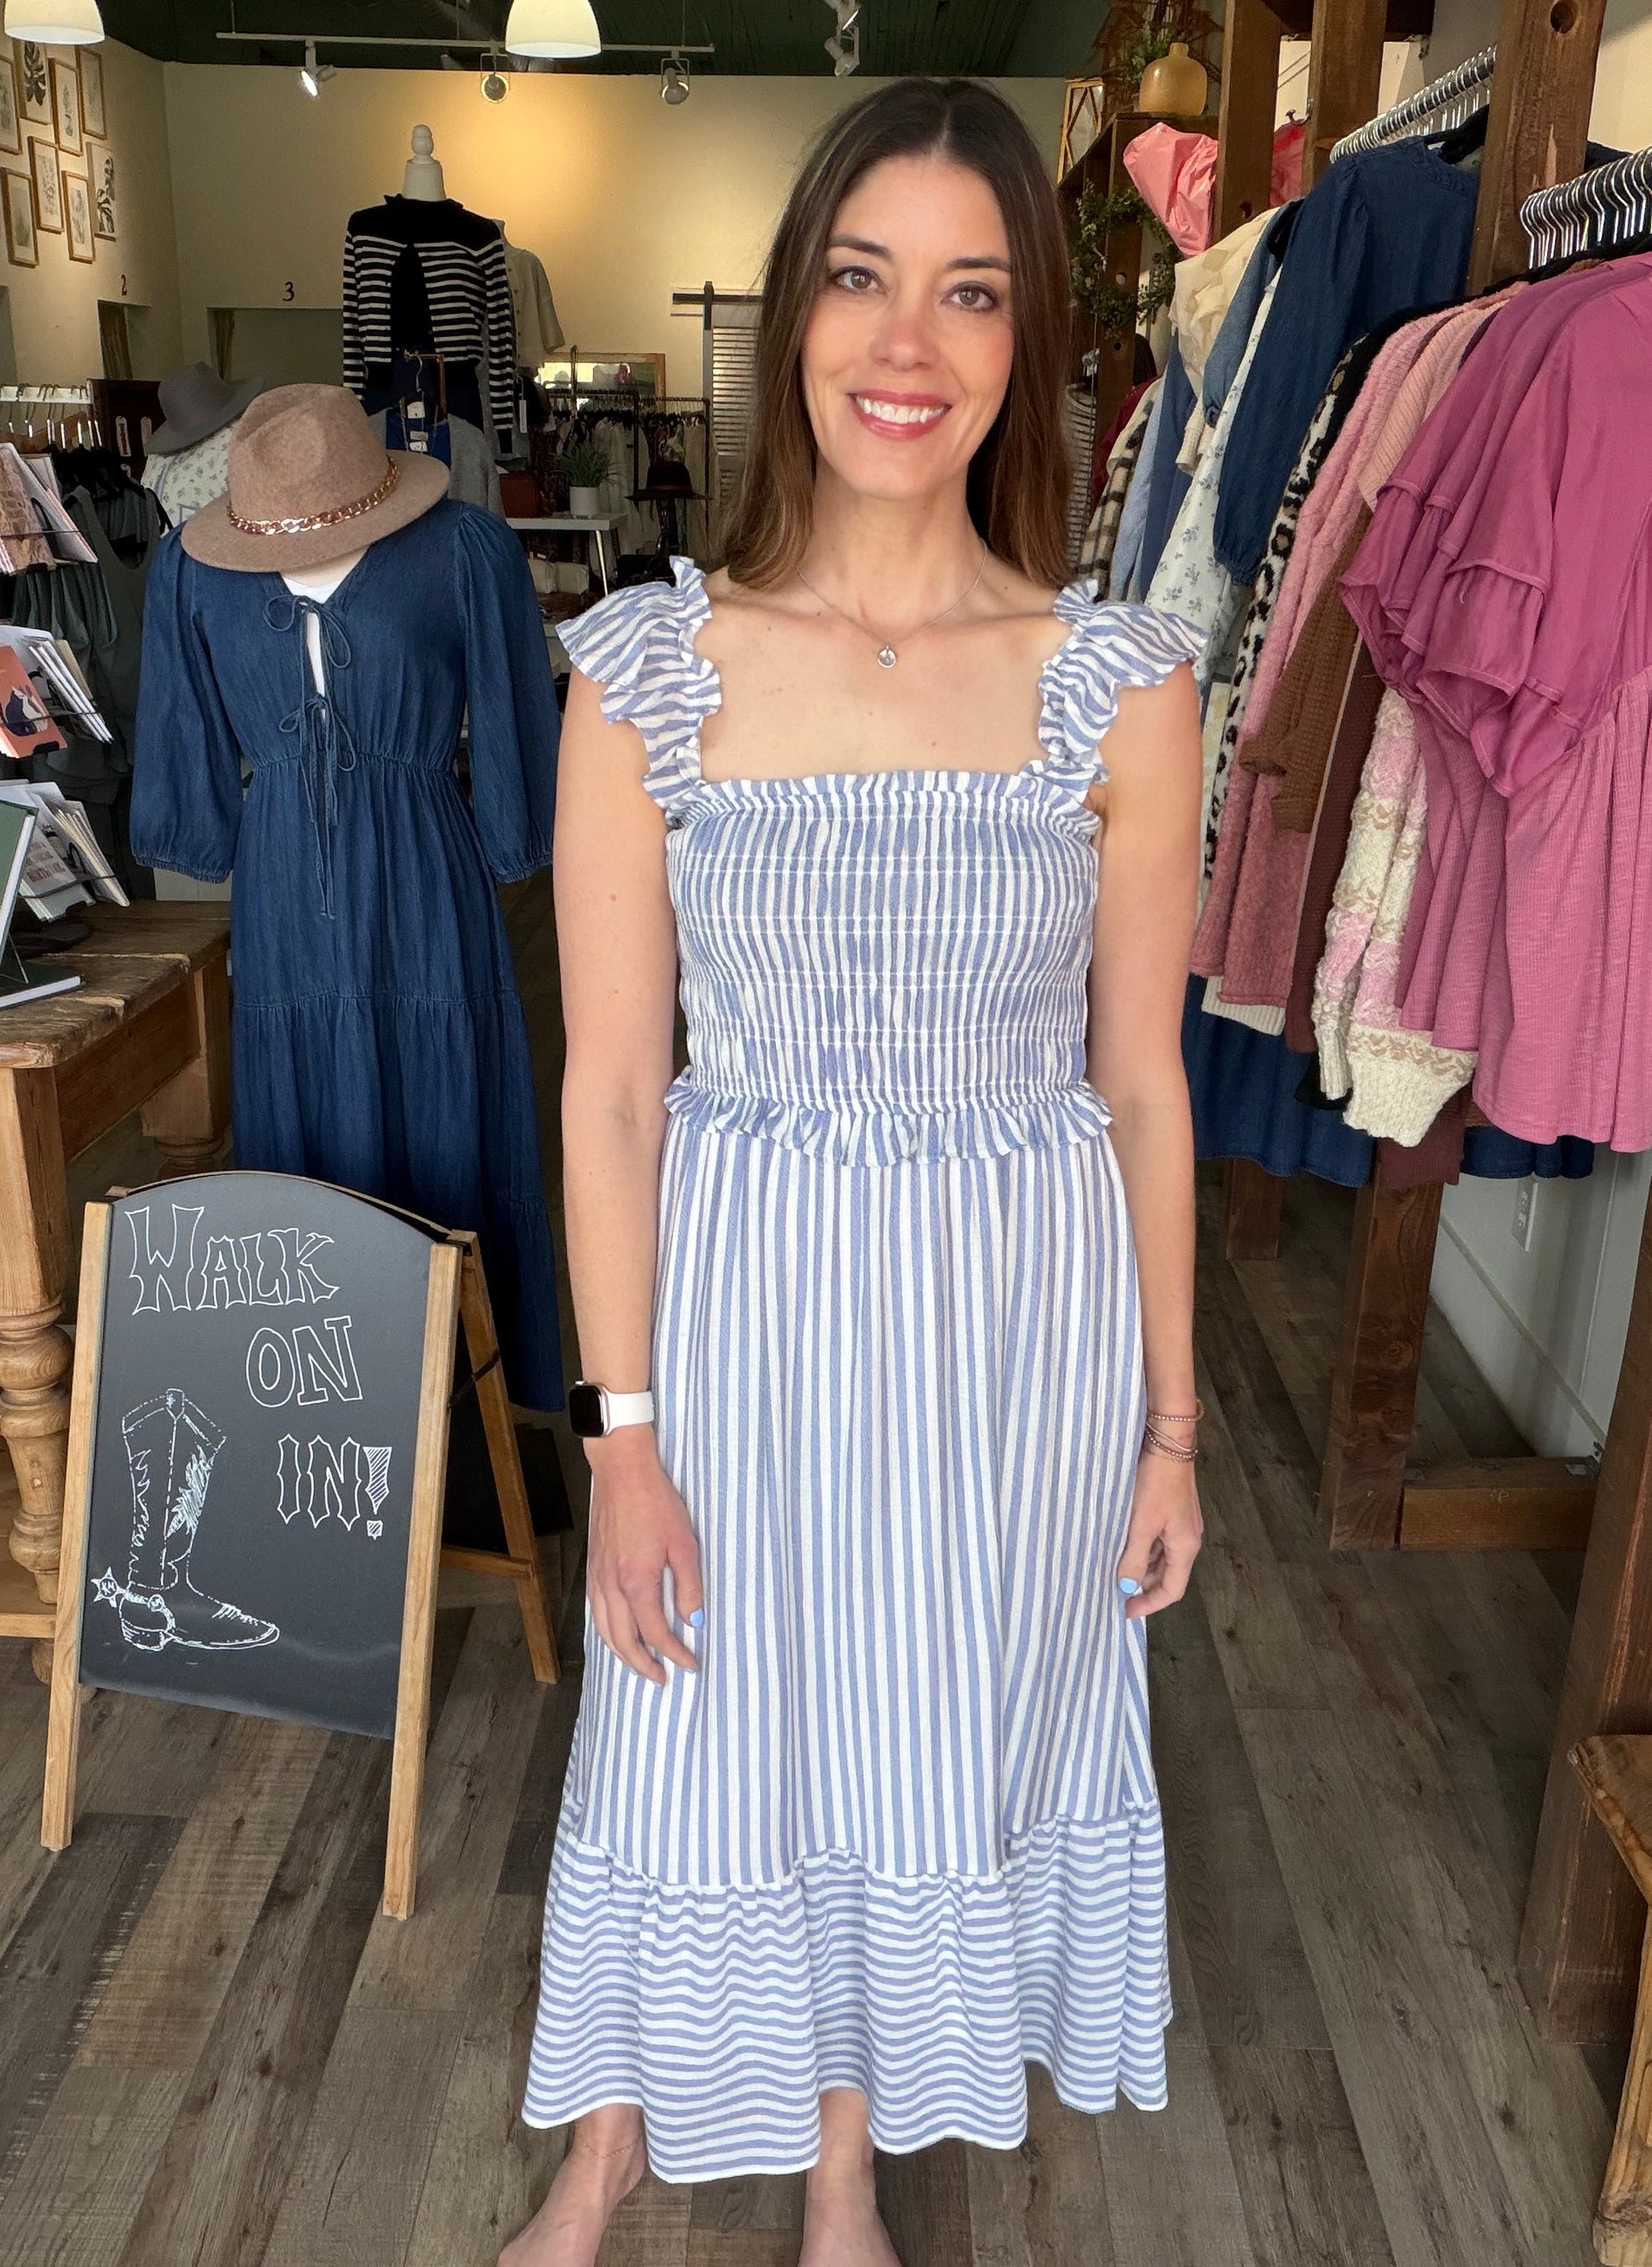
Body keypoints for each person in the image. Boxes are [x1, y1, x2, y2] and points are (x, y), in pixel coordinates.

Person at [504, 76, 1205, 2267]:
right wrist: (619, 1432)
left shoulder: (1118, 684)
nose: (908, 344)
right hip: (740, 1301)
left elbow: (1141, 1084)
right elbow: (612, 1091)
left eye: (970, 293)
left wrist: (1174, 1422)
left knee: (919, 1730)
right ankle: (607, 2132)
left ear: (1027, 343)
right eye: (861, 278)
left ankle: (840, 2164)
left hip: (1012, 1323)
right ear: (795, 312)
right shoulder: (648, 670)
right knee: (690, 1718)